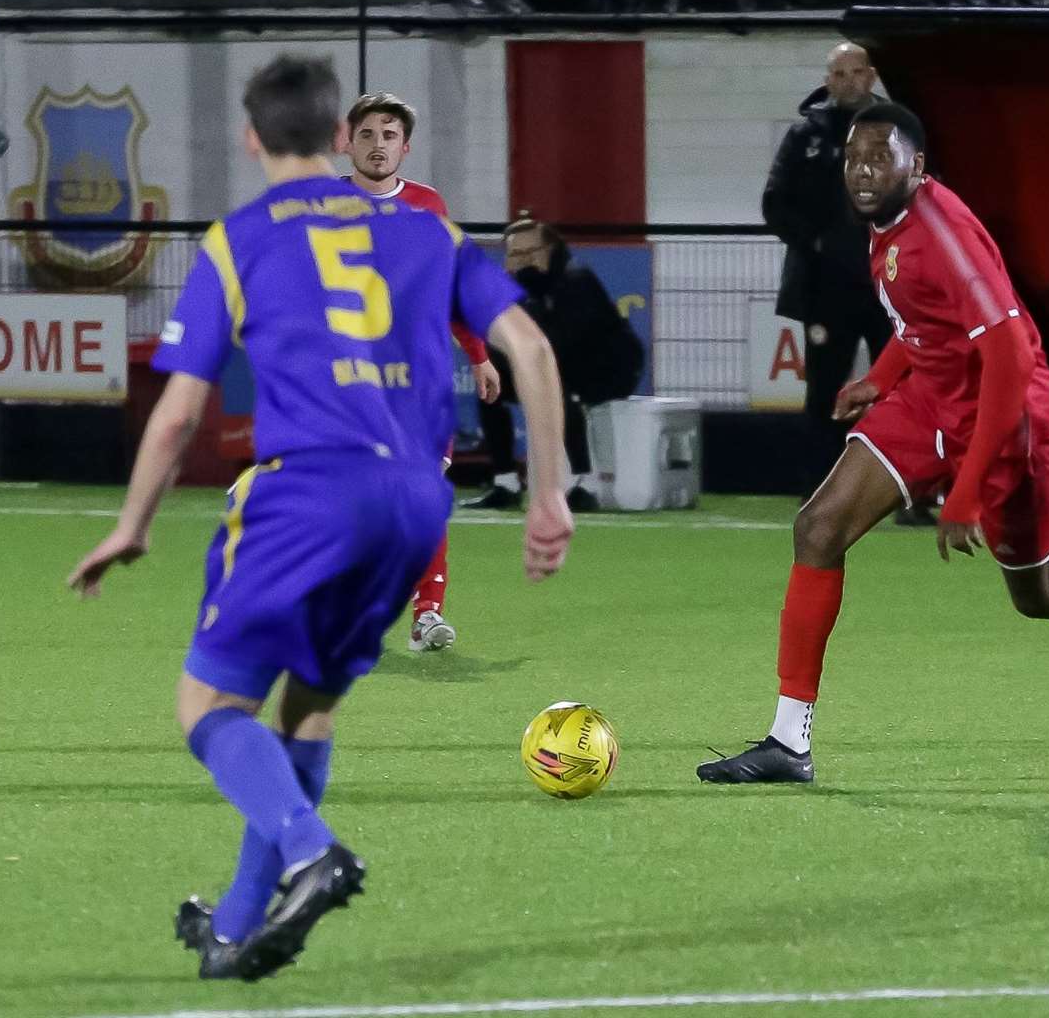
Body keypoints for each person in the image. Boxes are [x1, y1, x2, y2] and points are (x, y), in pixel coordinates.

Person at [66, 54, 574, 980]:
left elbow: (179, 413)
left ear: (254, 137)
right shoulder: (429, 232)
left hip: (303, 496)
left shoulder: (239, 239)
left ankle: (309, 847)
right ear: (341, 135)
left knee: (207, 705)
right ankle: (235, 929)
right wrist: (549, 489)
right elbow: (530, 350)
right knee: (307, 713)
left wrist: (131, 524)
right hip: (416, 503)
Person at [697, 102, 1049, 785]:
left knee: (1042, 594)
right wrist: (878, 380)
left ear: (919, 167)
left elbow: (1009, 360)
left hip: (1012, 422)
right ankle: (790, 743)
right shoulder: (889, 220)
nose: (863, 170)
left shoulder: (941, 235)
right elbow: (925, 322)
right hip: (934, 399)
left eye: (881, 156)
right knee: (817, 529)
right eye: (854, 158)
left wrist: (964, 491)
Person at [345, 91, 503, 653]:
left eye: (389, 135)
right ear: (348, 142)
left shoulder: (429, 206)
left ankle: (427, 613)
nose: (378, 144)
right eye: (367, 134)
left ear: (405, 147)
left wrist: (478, 353)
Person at [762, 43, 900, 503]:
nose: (846, 81)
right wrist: (818, 244)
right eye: (837, 74)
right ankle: (819, 491)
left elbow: (923, 193)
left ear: (872, 75)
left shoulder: (897, 131)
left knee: (899, 392)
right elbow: (775, 202)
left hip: (889, 288)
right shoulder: (806, 135)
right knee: (824, 393)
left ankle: (904, 491)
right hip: (826, 289)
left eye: (854, 72)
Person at [463, 214, 645, 512]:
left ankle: (585, 484)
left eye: (525, 253)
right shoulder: (523, 287)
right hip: (564, 364)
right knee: (491, 386)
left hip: (614, 366)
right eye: (513, 254)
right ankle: (506, 483)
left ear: (547, 251)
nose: (517, 261)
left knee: (562, 389)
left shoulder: (577, 278)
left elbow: (565, 341)